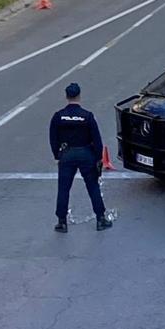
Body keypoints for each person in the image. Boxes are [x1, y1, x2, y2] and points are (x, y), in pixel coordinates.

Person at [49, 83, 113, 233]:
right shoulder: (87, 116)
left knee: (63, 188)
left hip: (67, 154)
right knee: (92, 186)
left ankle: (62, 222)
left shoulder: (59, 116)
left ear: (66, 96)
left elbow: (53, 137)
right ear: (79, 96)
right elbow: (96, 139)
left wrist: (57, 155)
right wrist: (98, 158)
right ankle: (100, 219)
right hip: (86, 154)